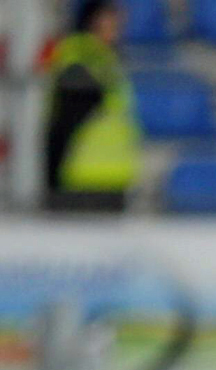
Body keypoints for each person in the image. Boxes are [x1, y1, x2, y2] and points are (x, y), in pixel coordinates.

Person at [43, 0, 138, 212]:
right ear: (93, 20)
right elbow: (68, 114)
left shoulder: (108, 56)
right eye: (110, 18)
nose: (118, 26)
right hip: (81, 177)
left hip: (110, 176)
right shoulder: (80, 51)